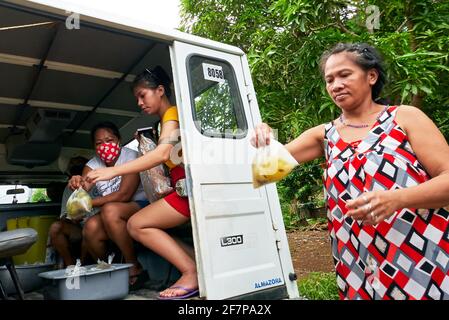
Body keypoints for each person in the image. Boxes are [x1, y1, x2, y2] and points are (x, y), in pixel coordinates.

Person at [252, 42, 449, 300]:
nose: (335, 85)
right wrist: (262, 138)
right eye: (329, 79)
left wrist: (397, 199)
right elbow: (263, 172)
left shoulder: (405, 117)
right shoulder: (324, 135)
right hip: (358, 265)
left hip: (419, 260)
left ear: (371, 76)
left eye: (345, 75)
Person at [86, 66, 198, 300]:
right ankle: (198, 265)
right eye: (137, 97)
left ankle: (191, 272)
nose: (139, 102)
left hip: (189, 191)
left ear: (159, 91)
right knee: (149, 225)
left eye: (142, 95)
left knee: (137, 225)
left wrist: (113, 171)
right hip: (180, 190)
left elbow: (162, 154)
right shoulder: (162, 122)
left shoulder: (172, 115)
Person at [49, 123, 149, 289]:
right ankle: (109, 270)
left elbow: (124, 195)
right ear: (94, 147)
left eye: (109, 140)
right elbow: (83, 189)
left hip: (138, 205)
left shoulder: (131, 156)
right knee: (90, 226)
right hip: (113, 213)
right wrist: (77, 184)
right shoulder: (92, 165)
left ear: (119, 140)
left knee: (109, 210)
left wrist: (86, 203)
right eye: (99, 143)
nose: (105, 146)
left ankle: (134, 266)